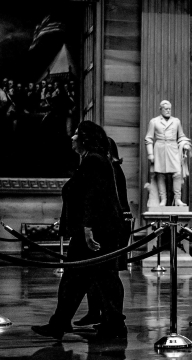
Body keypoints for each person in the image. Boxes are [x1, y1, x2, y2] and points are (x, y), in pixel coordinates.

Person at [32, 121, 127, 340]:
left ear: (85, 138)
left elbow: (93, 197)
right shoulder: (93, 160)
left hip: (96, 232)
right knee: (81, 278)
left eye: (76, 134)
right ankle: (63, 323)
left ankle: (108, 324)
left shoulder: (94, 160)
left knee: (99, 278)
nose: (72, 138)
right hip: (97, 230)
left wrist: (87, 228)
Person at [73, 137, 131, 327]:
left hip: (113, 225)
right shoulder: (108, 168)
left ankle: (111, 316)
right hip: (108, 224)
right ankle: (96, 313)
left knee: (109, 273)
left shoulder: (112, 169)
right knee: (98, 272)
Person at [145, 100, 192, 207]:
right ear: (161, 109)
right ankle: (163, 199)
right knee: (160, 174)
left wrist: (185, 143)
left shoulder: (176, 121)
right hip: (160, 149)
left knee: (177, 173)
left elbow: (181, 136)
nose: (168, 111)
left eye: (169, 109)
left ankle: (177, 199)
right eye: (166, 109)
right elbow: (148, 139)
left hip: (173, 149)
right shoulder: (154, 121)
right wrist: (150, 154)